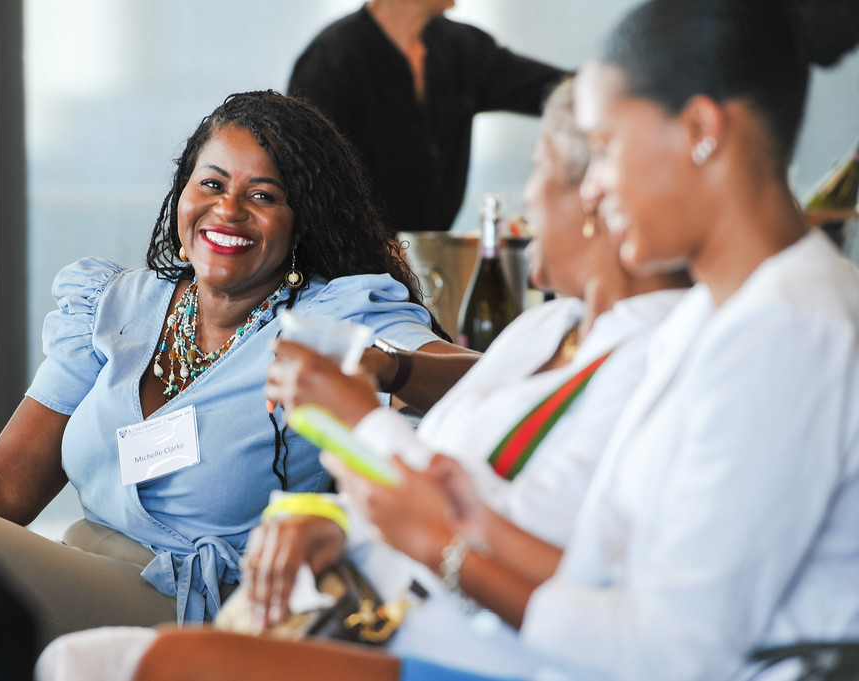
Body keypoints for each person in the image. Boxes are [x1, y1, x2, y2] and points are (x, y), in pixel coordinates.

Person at [41, 0, 859, 679]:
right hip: (467, 624)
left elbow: (676, 649)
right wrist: (440, 519)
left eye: (603, 150)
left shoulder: (781, 333)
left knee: (95, 664)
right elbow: (605, 560)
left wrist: (444, 542)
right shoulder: (732, 318)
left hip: (495, 650)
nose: (594, 188)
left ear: (702, 134)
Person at [32, 77, 688, 680]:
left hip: (414, 630)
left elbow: (462, 514)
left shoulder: (644, 362)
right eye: (210, 184)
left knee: (71, 654)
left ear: (598, 197)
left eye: (538, 170)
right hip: (352, 594)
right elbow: (438, 487)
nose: (521, 202)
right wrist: (336, 520)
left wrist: (372, 405)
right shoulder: (544, 333)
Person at [0, 90, 476, 648]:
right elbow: (4, 484)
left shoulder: (333, 314)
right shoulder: (116, 304)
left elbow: (483, 377)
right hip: (78, 573)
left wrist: (386, 370)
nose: (228, 211)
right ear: (182, 192)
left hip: (195, 611)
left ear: (301, 221)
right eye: (213, 183)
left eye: (264, 195)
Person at [288, 0, 567, 233]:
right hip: (351, 275)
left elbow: (555, 91)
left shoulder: (462, 48)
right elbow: (306, 188)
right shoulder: (329, 62)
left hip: (431, 263)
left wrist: (608, 90)